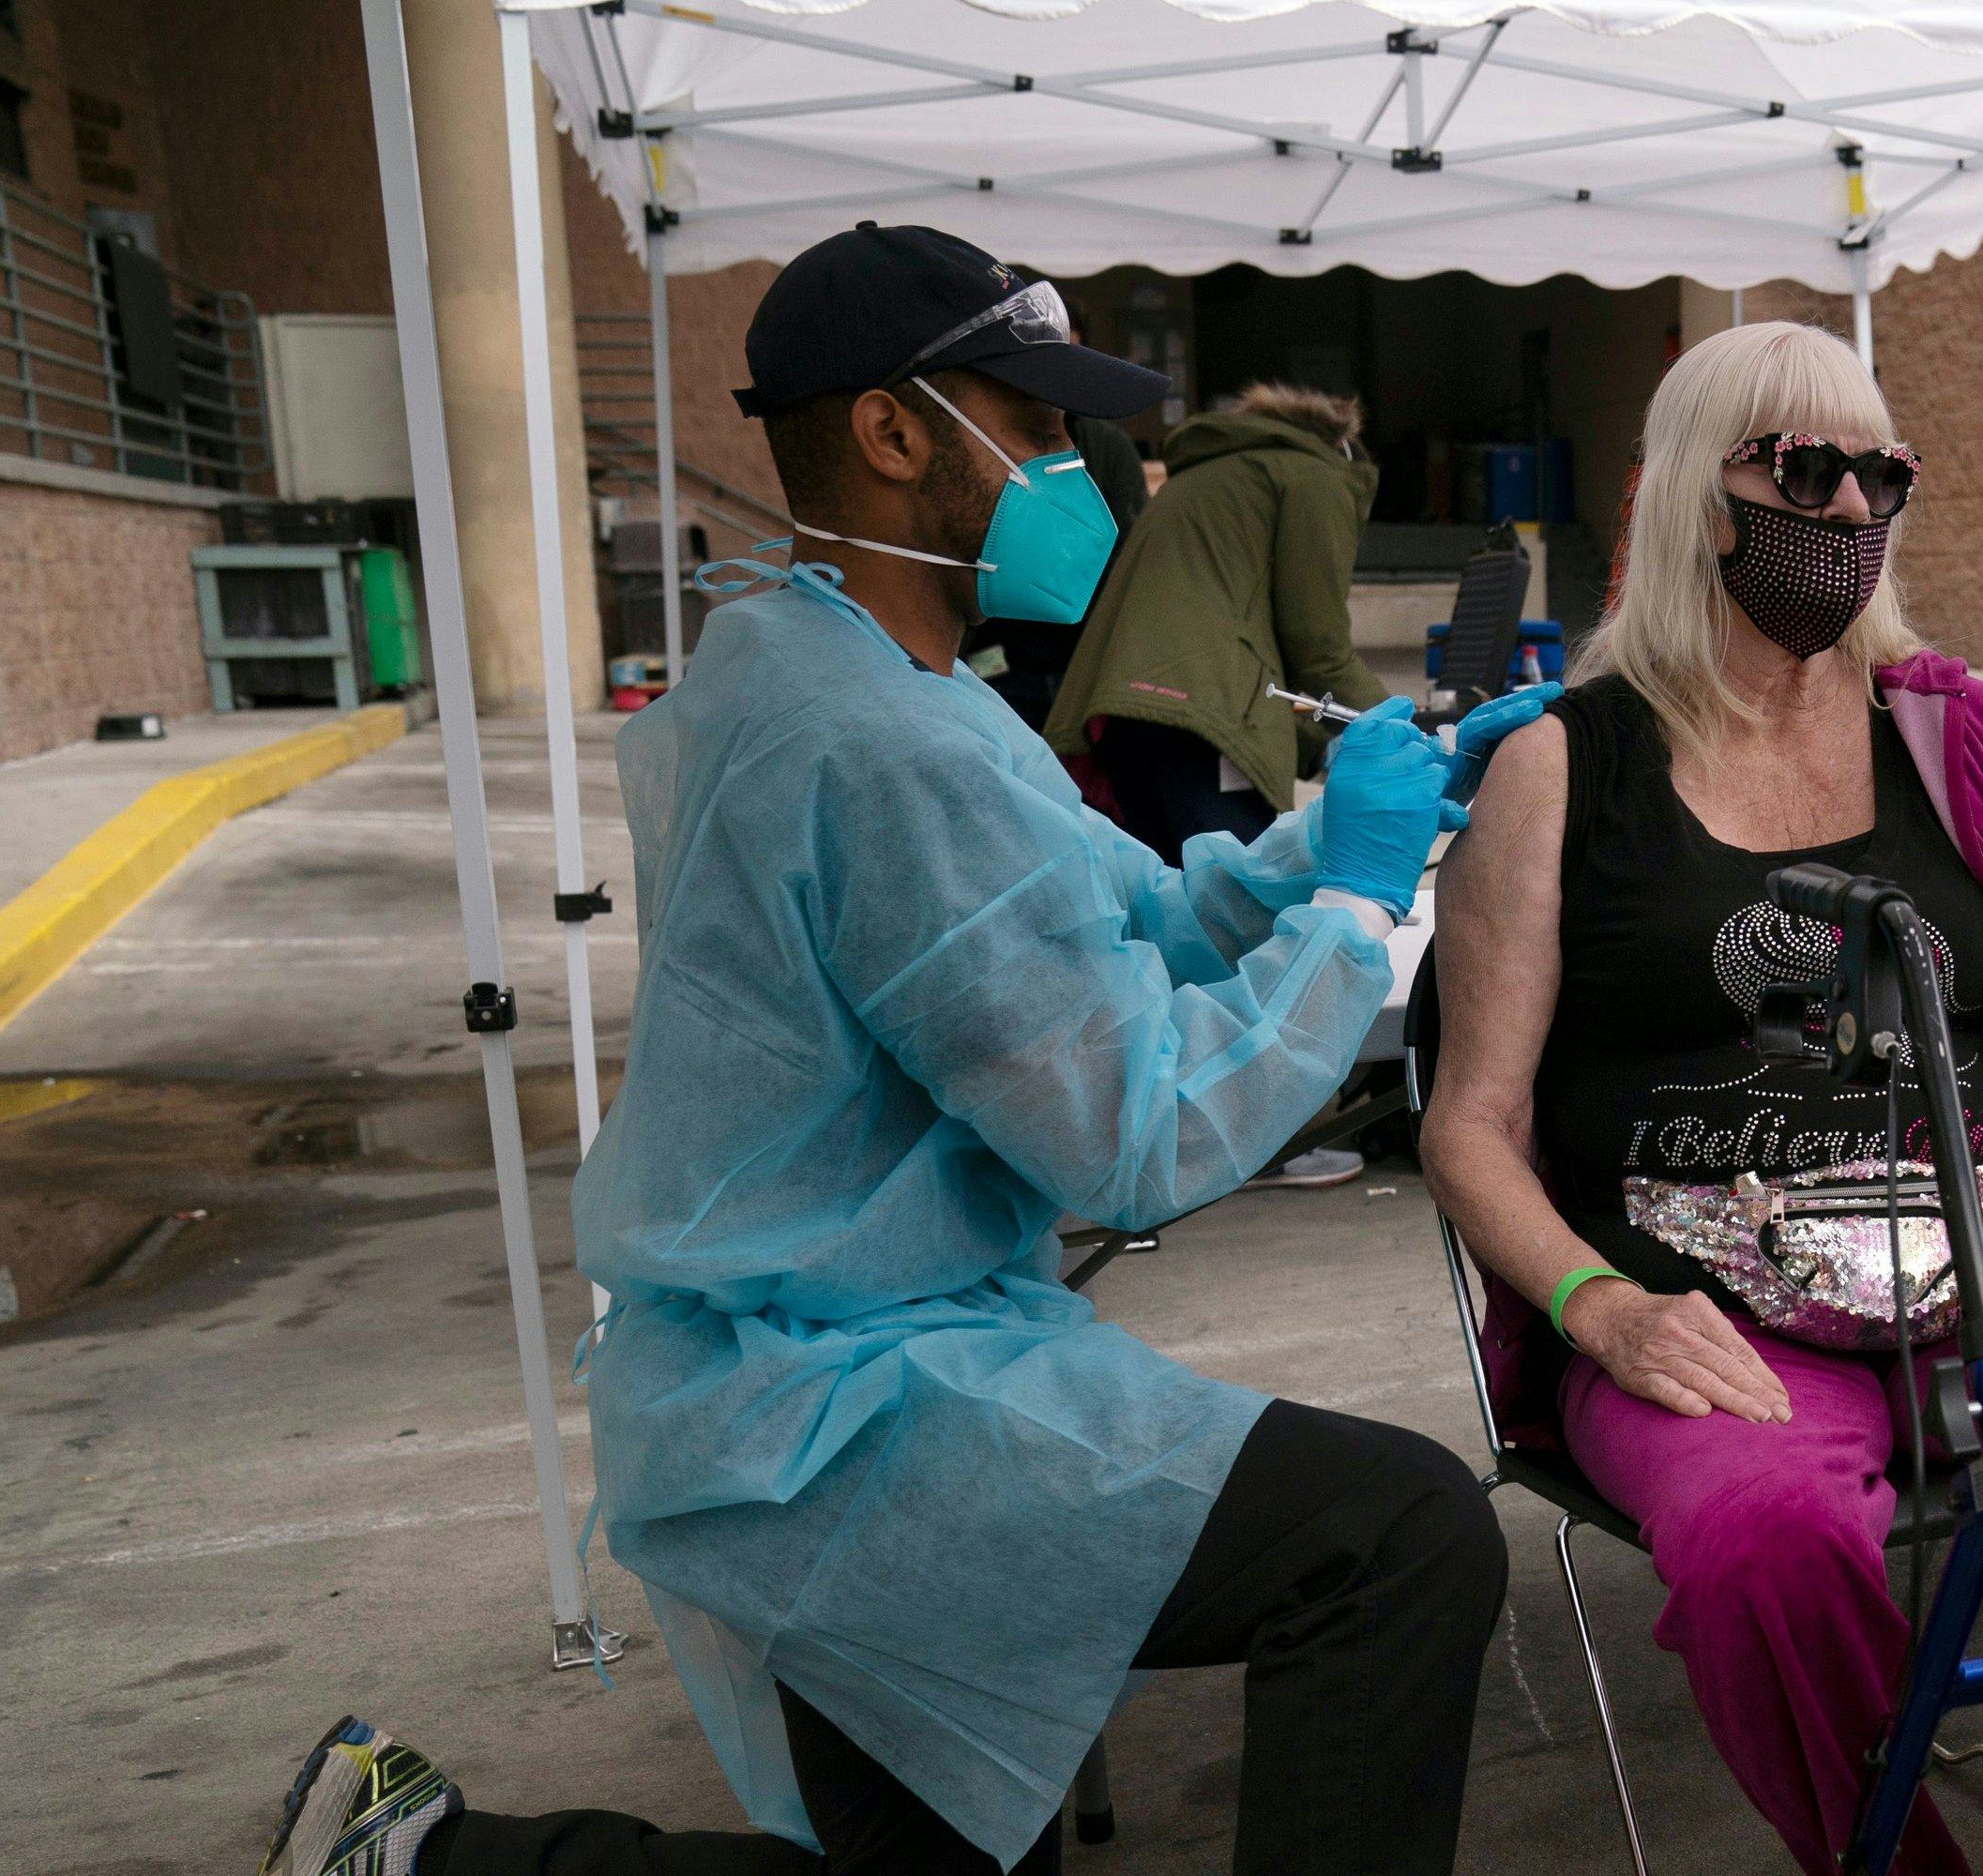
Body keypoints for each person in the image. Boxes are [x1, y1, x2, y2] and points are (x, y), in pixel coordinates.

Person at [257, 223, 1555, 1876]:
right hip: (843, 1405)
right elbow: (1127, 1134)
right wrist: (1367, 907)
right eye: (1032, 424)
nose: (1087, 469)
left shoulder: (825, 666)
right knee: (1397, 1539)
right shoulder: (873, 740)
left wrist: (1342, 836)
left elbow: (1119, 919)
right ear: (890, 434)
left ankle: (422, 1855)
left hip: (787, 1360)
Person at [1420, 323, 1983, 1876]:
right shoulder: (1564, 770)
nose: (1847, 509)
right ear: (1699, 497)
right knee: (1767, 1552)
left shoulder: (1959, 738)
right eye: (1805, 468)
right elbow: (1469, 1125)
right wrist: (1597, 1310)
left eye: (1879, 473)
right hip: (1694, 1303)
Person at [1049, 383, 1385, 865]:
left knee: (1166, 910)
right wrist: (1403, 726)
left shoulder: (1215, 470)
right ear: (1346, 451)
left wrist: (1314, 739)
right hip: (1204, 723)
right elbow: (1317, 645)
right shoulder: (1315, 476)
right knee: (1233, 911)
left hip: (1127, 717)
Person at [960, 412, 1150, 729]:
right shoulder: (989, 434)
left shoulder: (1106, 445)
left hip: (1083, 666)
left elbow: (1128, 562)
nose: (1061, 445)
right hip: (999, 661)